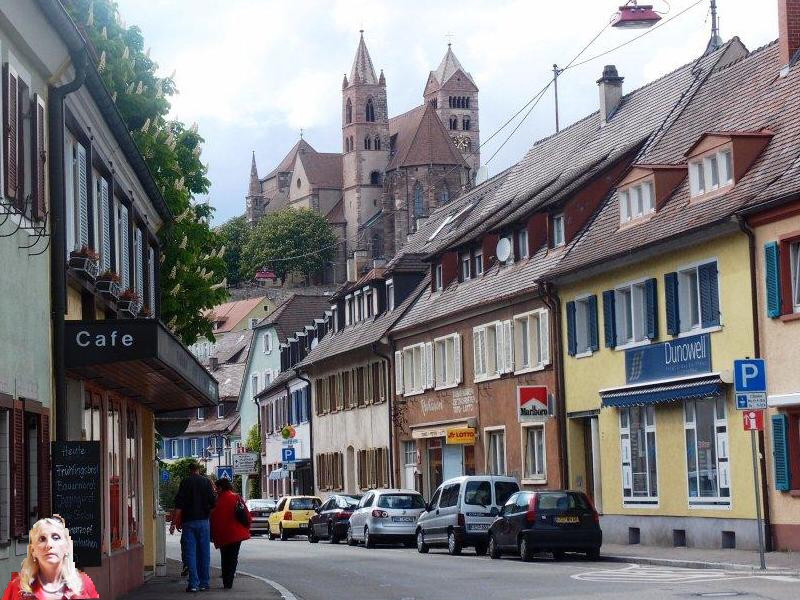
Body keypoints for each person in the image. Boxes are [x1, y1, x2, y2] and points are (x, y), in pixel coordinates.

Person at [2, 514, 99, 599]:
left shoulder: (84, 585)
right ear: (33, 550)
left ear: (66, 547)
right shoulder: (17, 588)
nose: (49, 545)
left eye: (56, 538)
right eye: (42, 539)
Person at [174, 461, 216, 593]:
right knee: (204, 553)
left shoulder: (185, 482)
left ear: (189, 470)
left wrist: (175, 522)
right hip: (203, 521)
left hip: (188, 522)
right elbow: (213, 503)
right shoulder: (206, 482)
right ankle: (204, 583)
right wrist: (207, 514)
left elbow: (179, 504)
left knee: (190, 553)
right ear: (199, 470)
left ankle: (193, 584)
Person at [209, 478, 251, 589]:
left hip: (222, 534)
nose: (215, 490)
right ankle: (229, 581)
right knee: (233, 557)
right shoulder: (236, 497)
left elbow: (212, 518)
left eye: (217, 488)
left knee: (225, 557)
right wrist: (247, 525)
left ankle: (226, 580)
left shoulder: (216, 501)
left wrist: (212, 534)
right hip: (236, 534)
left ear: (221, 488)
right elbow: (246, 514)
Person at [168, 507, 189, 577]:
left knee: (186, 547)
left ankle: (187, 565)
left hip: (187, 525)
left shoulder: (184, 500)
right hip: (202, 523)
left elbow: (179, 509)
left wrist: (174, 524)